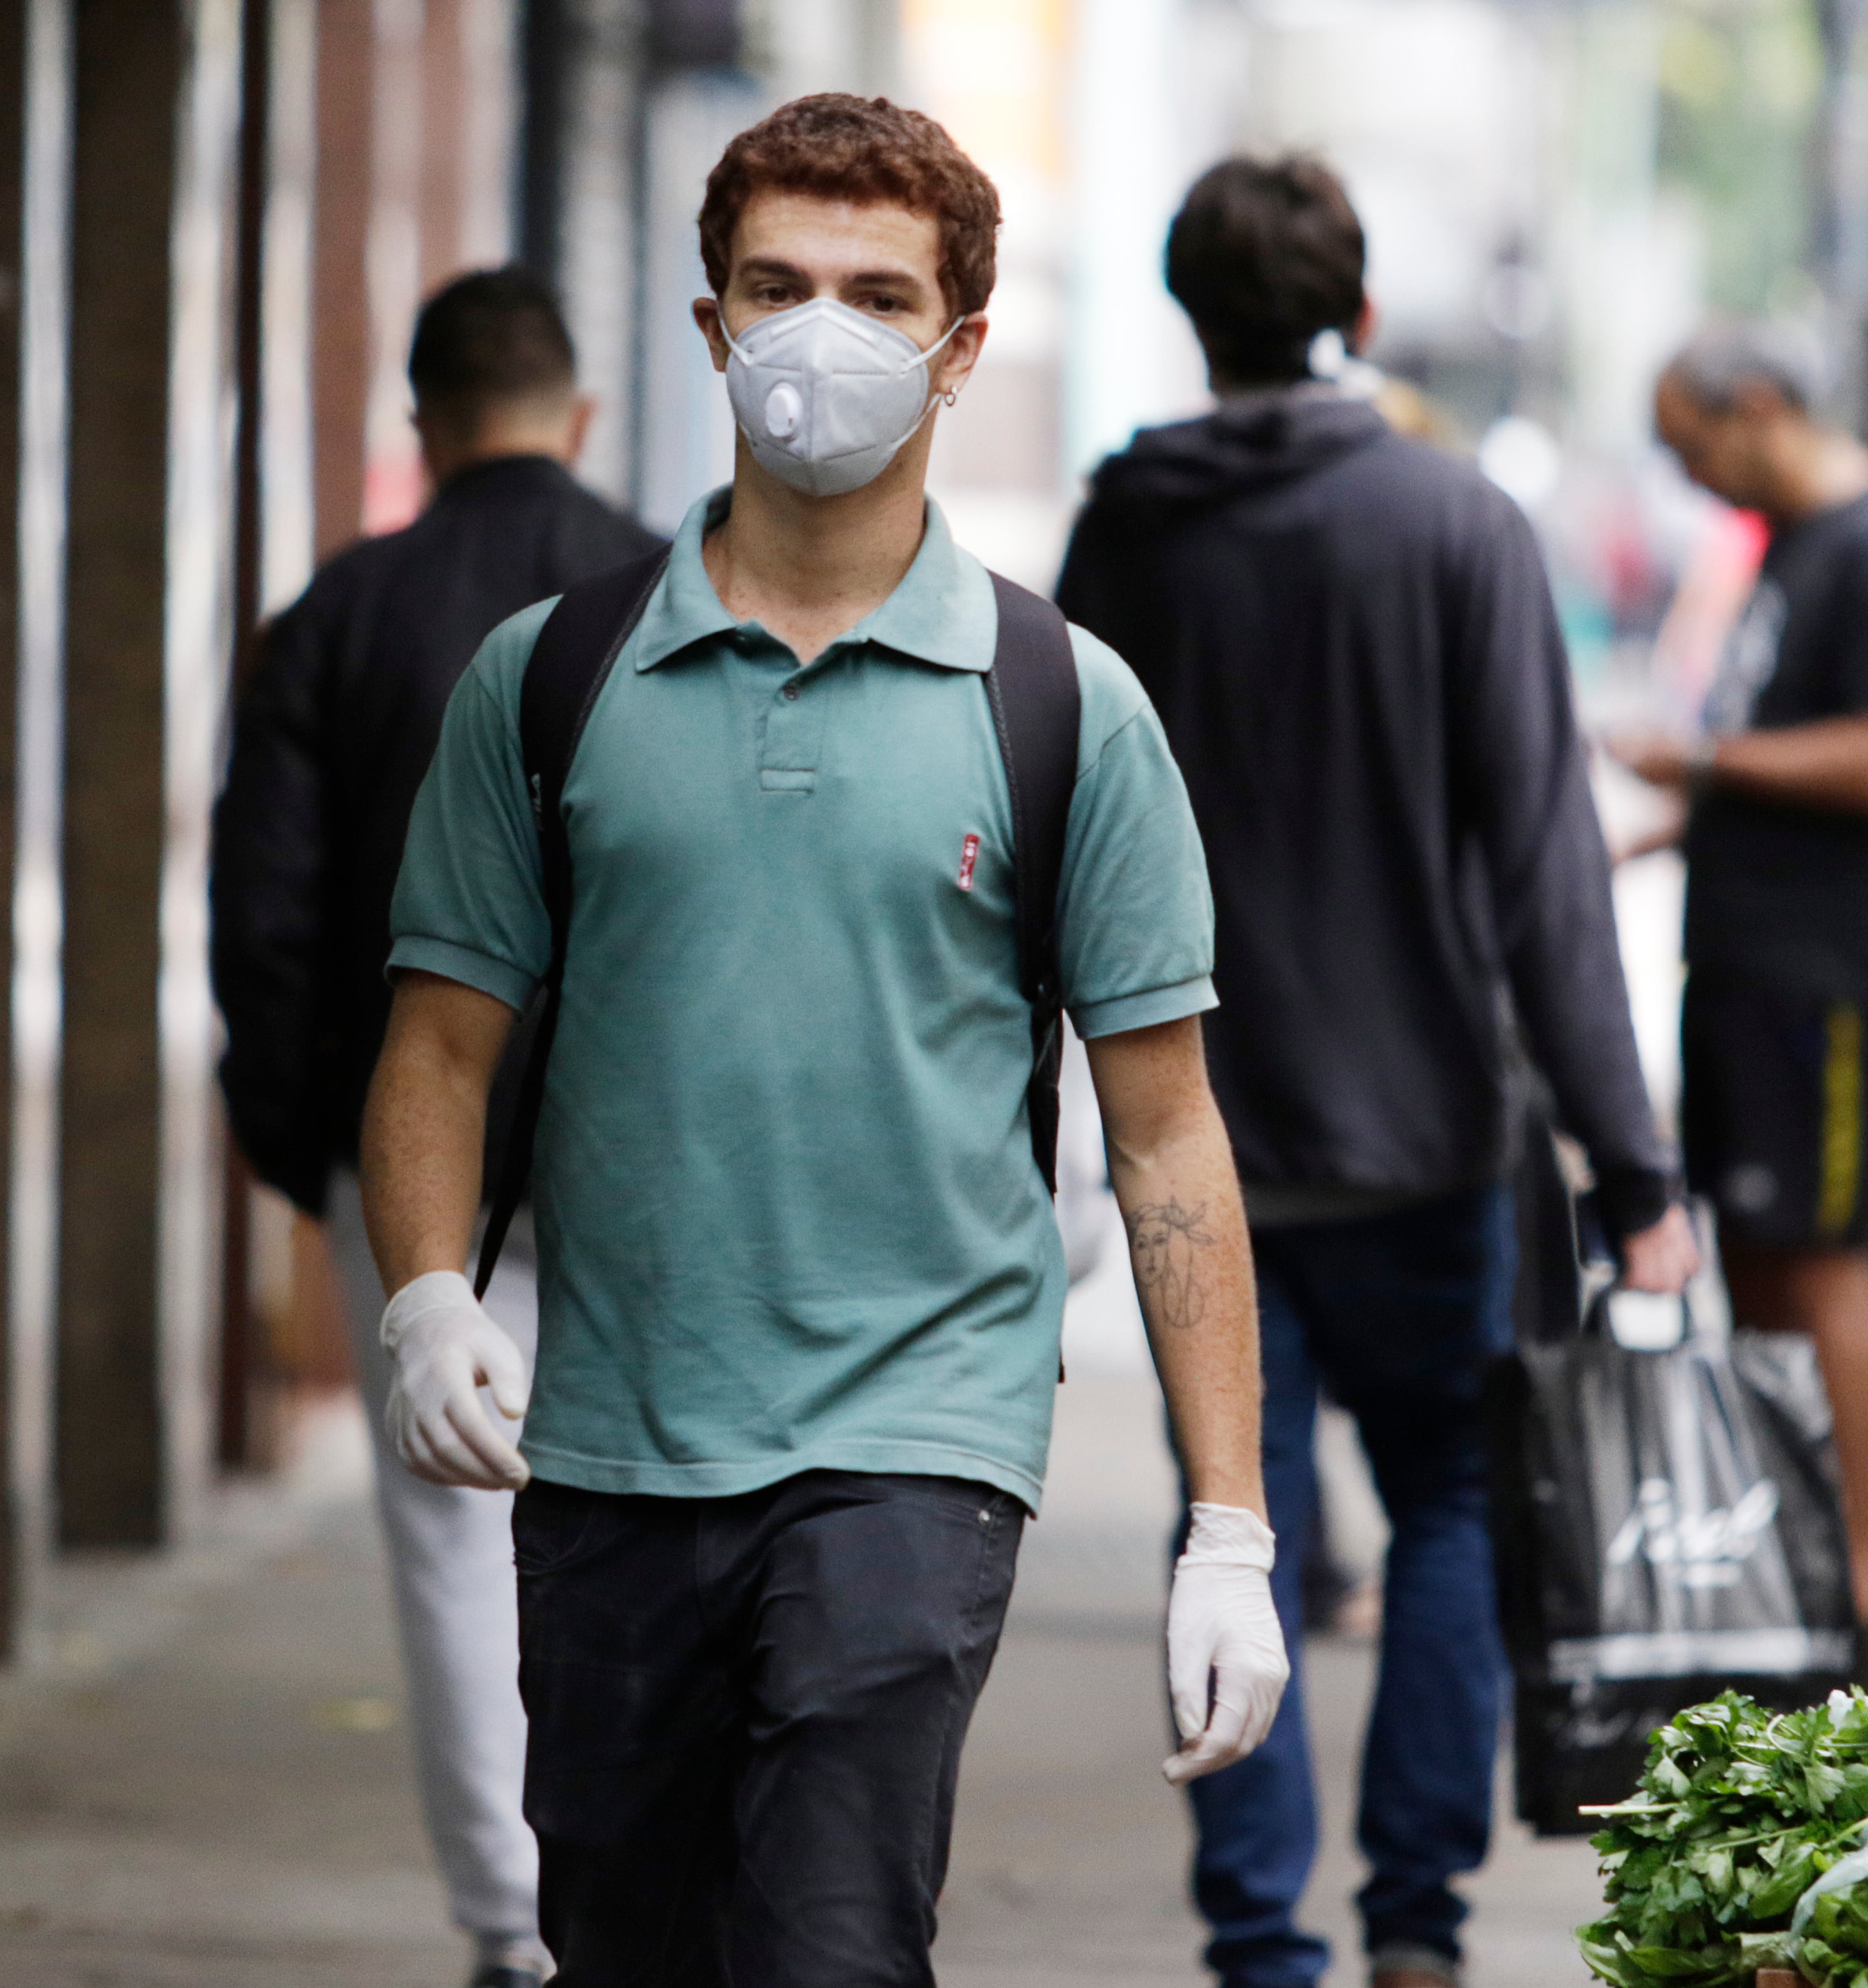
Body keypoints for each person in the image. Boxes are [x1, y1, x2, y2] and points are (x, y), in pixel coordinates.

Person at [360, 93, 1286, 1985]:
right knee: (623, 1943)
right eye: (777, 286)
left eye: (878, 297)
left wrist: (1230, 1529)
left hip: (918, 1437)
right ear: (710, 322)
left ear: (960, 347)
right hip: (612, 1444)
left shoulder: (1062, 705)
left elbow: (1167, 1135)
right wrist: (428, 1300)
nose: (818, 334)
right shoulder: (548, 679)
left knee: (830, 1946)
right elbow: (439, 1047)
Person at [1057, 156, 1694, 1988]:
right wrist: (1632, 1171)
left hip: (1195, 1150)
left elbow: (1050, 824)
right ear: (1359, 310)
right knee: (1452, 1512)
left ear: (1191, 313)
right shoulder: (1454, 523)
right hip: (1426, 1142)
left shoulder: (1126, 529)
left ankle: (1258, 1943)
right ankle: (1415, 1926)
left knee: (1226, 1525)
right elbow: (1547, 873)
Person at [211, 266, 659, 1988]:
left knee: (455, 1538)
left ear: (423, 421)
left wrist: (309, 1145)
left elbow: (263, 910)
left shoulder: (337, 614)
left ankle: (512, 1928)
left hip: (409, 1148)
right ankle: (636, 1889)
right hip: (633, 1141)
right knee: (653, 1521)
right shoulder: (665, 588)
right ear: (579, 412)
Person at [1607, 319, 1868, 1622]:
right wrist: (1659, 831)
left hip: (1832, 974)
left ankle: (1866, 1577)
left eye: (1689, 444)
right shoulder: (1795, 545)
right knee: (1753, 1253)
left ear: (1755, 404)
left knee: (1820, 1260)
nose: (1687, 476)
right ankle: (1788, 1553)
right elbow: (1788, 749)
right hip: (1747, 960)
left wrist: (1697, 763)